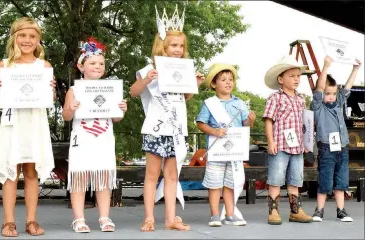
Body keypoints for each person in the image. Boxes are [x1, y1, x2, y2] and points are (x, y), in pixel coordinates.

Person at [130, 5, 204, 232]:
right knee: (152, 175)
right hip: (155, 127)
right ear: (162, 45)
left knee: (172, 176)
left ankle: (171, 219)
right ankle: (149, 217)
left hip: (177, 129)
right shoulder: (150, 67)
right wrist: (146, 79)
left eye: (181, 46)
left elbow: (186, 96)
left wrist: (196, 84)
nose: (177, 49)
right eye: (173, 45)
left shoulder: (183, 69)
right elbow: (134, 91)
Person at [0, 16, 56, 237]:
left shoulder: (44, 66)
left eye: (32, 36)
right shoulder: (5, 65)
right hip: (13, 123)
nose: (27, 40)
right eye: (22, 35)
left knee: (31, 171)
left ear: (38, 40)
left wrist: (52, 88)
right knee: (11, 172)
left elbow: (50, 99)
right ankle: (8, 222)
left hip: (35, 123)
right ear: (14, 38)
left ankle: (31, 220)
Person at [62, 37, 127, 233]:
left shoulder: (111, 89)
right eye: (92, 63)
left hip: (104, 139)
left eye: (101, 63)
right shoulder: (74, 90)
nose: (97, 66)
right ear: (81, 66)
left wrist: (121, 110)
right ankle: (79, 219)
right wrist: (71, 108)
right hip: (82, 139)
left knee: (103, 178)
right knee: (80, 178)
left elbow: (115, 119)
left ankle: (104, 217)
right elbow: (66, 115)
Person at [196, 63, 256, 227]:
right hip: (217, 150)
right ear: (214, 84)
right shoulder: (209, 103)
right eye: (223, 79)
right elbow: (200, 124)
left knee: (231, 183)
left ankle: (230, 214)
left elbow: (245, 124)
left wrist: (250, 121)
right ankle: (214, 215)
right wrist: (214, 132)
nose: (228, 82)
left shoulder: (240, 103)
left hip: (235, 150)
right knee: (215, 183)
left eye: (231, 79)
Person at [262, 55, 313, 225]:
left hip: (297, 146)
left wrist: (307, 143)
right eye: (291, 76)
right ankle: (273, 211)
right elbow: (268, 120)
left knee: (295, 180)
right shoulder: (275, 98)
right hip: (280, 145)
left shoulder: (301, 99)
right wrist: (271, 142)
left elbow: (305, 123)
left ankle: (295, 211)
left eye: (298, 76)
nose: (296, 79)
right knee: (276, 178)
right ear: (281, 79)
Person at [311, 56, 362, 222]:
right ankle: (319, 210)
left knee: (341, 180)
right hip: (326, 147)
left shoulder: (339, 103)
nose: (331, 97)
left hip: (342, 147)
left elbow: (347, 88)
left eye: (333, 93)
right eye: (327, 94)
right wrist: (325, 66)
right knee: (325, 179)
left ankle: (341, 210)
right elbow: (319, 88)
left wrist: (355, 69)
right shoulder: (318, 106)